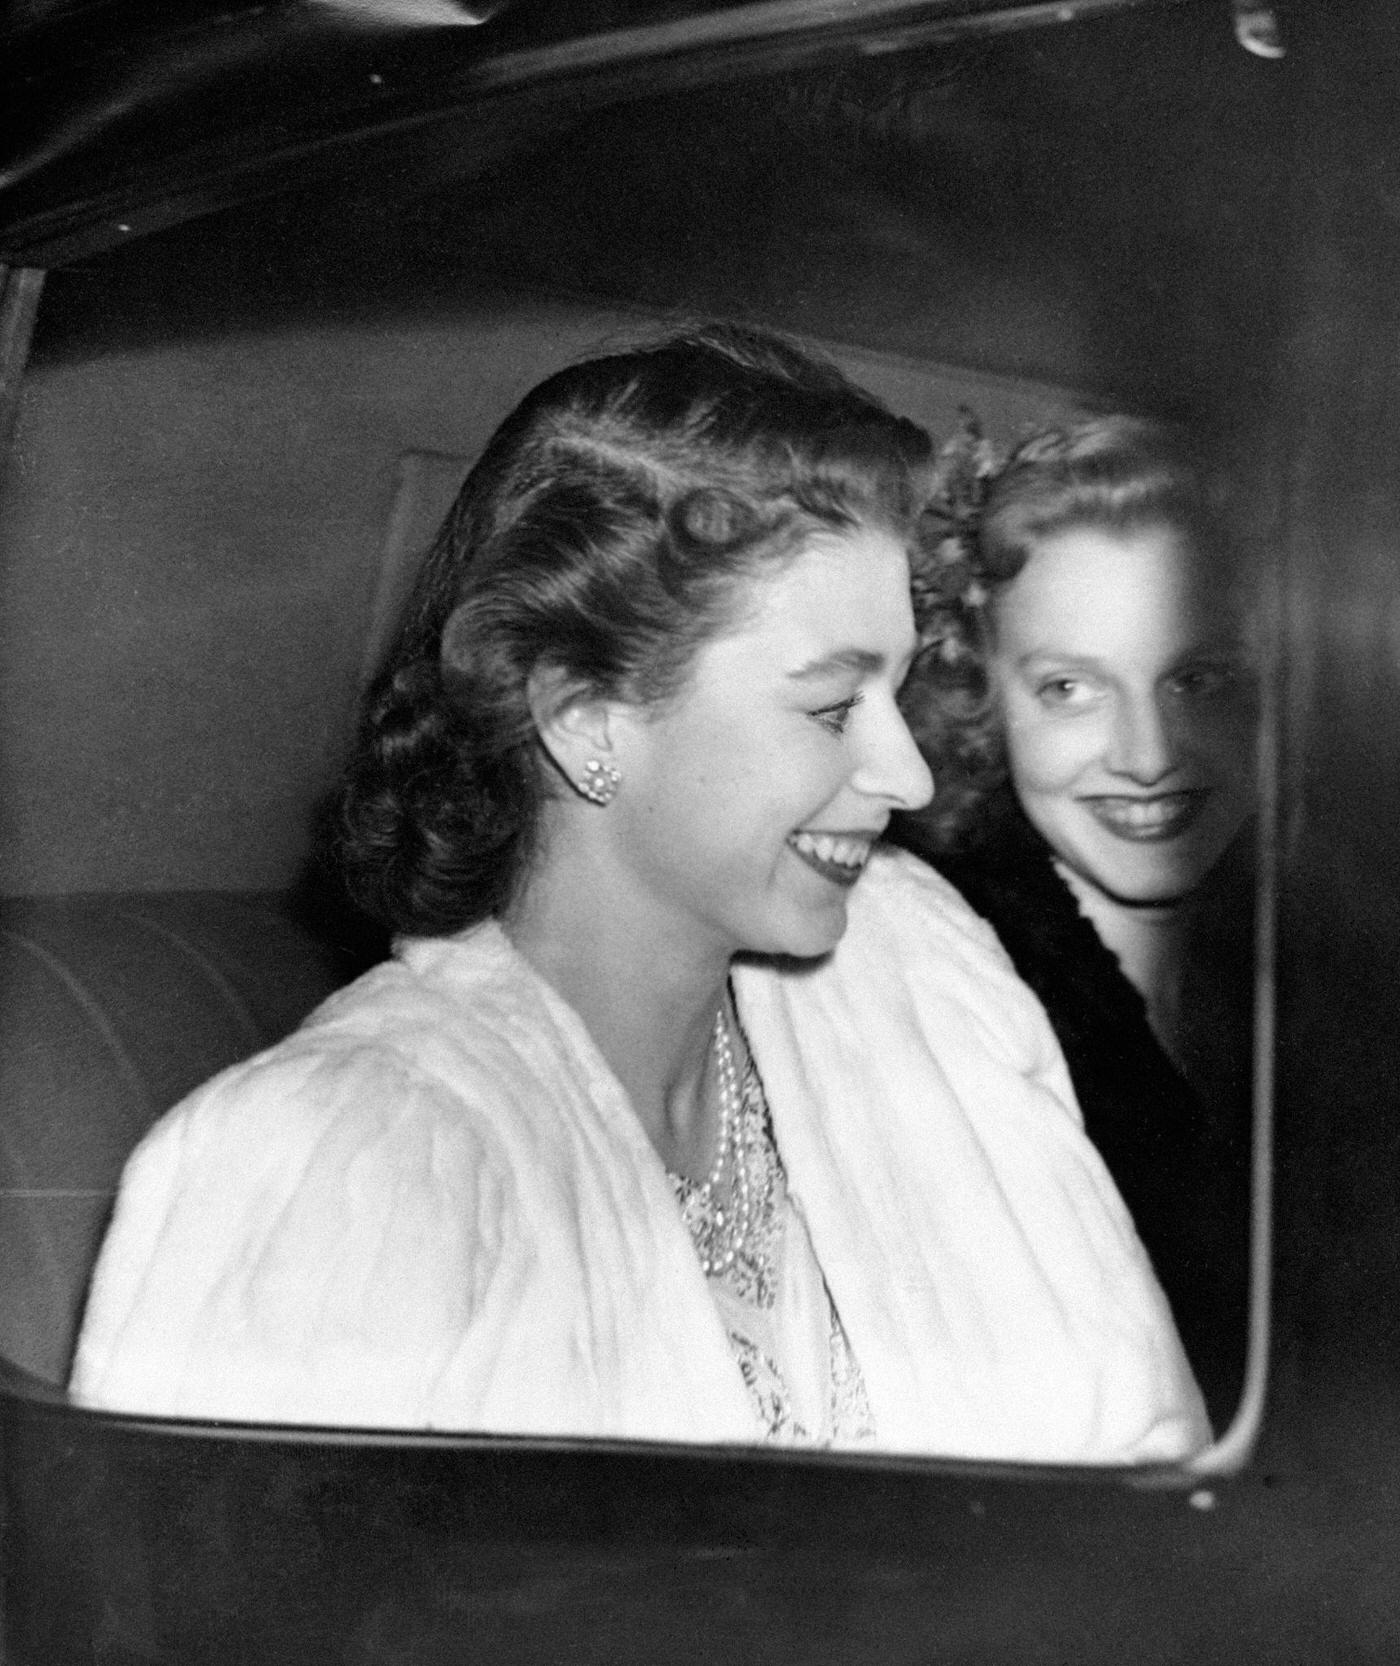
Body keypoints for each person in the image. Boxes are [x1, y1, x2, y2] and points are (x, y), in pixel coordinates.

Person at [69, 328, 1208, 1461]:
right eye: (826, 707)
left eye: (898, 689)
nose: (905, 775)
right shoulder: (332, 1161)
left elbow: (1148, 1445)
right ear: (584, 716)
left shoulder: (913, 962)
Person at [893, 414, 1257, 1427]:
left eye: (1195, 680)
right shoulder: (924, 994)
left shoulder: (1334, 964)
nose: (1146, 754)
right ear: (978, 691)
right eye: (1067, 688)